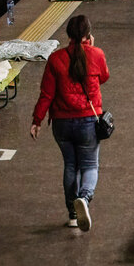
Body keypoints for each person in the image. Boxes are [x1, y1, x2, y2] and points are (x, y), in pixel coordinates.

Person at [30, 15, 110, 231]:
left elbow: (47, 94)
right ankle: (84, 198)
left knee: (71, 166)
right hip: (88, 121)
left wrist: (37, 120)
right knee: (90, 165)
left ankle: (73, 214)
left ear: (68, 35)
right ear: (88, 35)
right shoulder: (97, 54)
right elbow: (104, 77)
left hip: (62, 124)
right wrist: (90, 49)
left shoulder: (55, 59)